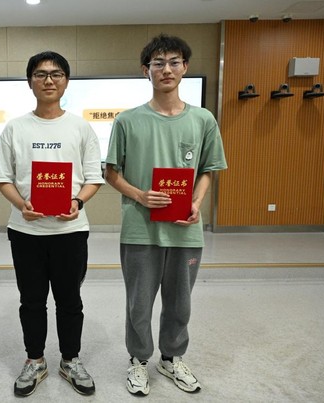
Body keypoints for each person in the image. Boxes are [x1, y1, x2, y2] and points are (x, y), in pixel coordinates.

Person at [105, 33, 228, 396]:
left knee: (180, 303)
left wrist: (196, 202)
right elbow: (111, 173)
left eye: (174, 62)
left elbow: (208, 169)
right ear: (146, 70)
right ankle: (139, 359)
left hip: (184, 228)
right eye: (158, 63)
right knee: (139, 303)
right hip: (140, 229)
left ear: (185, 67)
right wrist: (140, 196)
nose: (166, 69)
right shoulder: (127, 121)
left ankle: (171, 358)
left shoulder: (203, 119)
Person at [0, 51, 104, 397]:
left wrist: (77, 202)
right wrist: (21, 205)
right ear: (30, 82)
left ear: (66, 81)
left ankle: (70, 360)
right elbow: (3, 178)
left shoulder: (80, 127)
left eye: (56, 74)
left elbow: (93, 178)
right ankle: (35, 360)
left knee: (70, 300)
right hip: (25, 230)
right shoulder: (15, 128)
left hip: (70, 231)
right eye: (40, 74)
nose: (48, 80)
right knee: (31, 301)